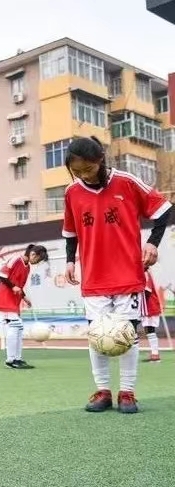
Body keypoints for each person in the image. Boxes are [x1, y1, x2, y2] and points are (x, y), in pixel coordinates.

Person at [63, 136, 171, 414]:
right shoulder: (72, 192)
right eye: (77, 171)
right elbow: (71, 231)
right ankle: (102, 391)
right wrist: (70, 261)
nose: (84, 175)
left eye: (89, 169)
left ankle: (127, 392)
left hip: (127, 275)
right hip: (93, 277)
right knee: (96, 335)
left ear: (100, 160)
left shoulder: (126, 182)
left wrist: (152, 243)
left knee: (128, 335)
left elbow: (163, 209)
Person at [0, 244, 49, 369]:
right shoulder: (15, 259)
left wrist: (24, 297)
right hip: (4, 299)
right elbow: (1, 275)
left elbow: (19, 285)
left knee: (18, 328)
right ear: (33, 254)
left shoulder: (27, 267)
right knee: (15, 326)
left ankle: (17, 359)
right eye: (38, 259)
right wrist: (13, 287)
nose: (37, 262)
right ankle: (10, 360)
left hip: (13, 301)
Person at [141, 267, 162, 363]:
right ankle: (154, 354)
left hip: (150, 306)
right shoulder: (144, 272)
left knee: (150, 329)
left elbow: (147, 290)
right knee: (148, 330)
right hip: (147, 306)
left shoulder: (145, 273)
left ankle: (155, 355)